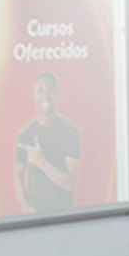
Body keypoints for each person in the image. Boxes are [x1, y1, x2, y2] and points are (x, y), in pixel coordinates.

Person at [12, 70, 80, 212]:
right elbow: (18, 175)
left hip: (64, 212)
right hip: (36, 214)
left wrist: (40, 161)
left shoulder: (70, 132)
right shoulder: (25, 134)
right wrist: (26, 207)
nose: (45, 96)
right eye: (40, 91)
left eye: (50, 91)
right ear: (34, 95)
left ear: (56, 95)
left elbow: (70, 184)